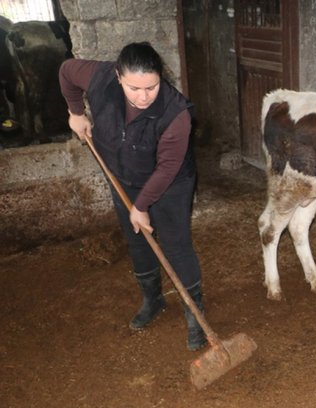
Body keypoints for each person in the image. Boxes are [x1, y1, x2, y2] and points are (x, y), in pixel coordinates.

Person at [59, 42, 207, 351]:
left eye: (151, 88)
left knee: (176, 244)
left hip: (171, 183)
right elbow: (66, 71)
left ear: (160, 78)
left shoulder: (176, 114)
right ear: (118, 76)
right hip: (123, 178)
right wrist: (76, 113)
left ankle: (195, 315)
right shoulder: (100, 77)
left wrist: (141, 206)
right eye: (134, 88)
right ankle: (152, 300)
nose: (143, 97)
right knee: (137, 239)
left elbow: (167, 167)